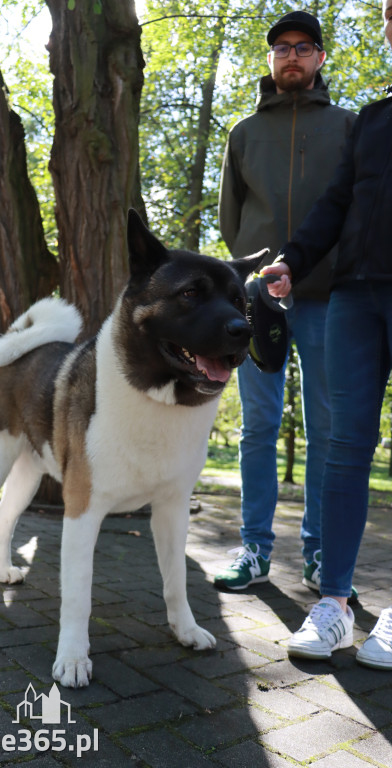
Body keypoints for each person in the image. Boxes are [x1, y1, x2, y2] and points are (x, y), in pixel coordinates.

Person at [262, 0, 392, 670]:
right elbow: (336, 202)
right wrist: (293, 259)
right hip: (354, 296)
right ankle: (335, 605)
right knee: (343, 445)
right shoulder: (372, 120)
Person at [215, 11, 357, 595]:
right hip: (258, 303)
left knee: (327, 430)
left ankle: (321, 554)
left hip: (328, 300)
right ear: (271, 61)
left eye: (302, 47)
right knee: (257, 427)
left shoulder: (350, 127)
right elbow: (231, 215)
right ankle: (254, 549)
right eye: (280, 48)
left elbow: (358, 208)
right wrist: (254, 272)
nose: (290, 56)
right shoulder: (244, 132)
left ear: (321, 58)